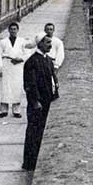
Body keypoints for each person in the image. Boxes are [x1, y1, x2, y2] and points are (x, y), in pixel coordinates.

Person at [22, 32, 56, 171]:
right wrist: (35, 101)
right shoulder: (32, 61)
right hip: (38, 104)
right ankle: (30, 163)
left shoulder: (47, 59)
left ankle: (37, 161)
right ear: (40, 43)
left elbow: (53, 80)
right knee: (33, 132)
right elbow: (30, 85)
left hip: (46, 101)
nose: (50, 45)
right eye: (47, 43)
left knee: (40, 132)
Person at [0, 22, 33, 118]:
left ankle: (16, 110)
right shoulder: (3, 42)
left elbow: (28, 53)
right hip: (6, 65)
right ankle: (4, 110)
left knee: (16, 87)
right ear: (8, 30)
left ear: (17, 30)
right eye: (11, 29)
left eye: (15, 29)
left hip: (17, 66)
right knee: (5, 87)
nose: (13, 31)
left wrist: (21, 59)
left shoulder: (22, 41)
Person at [44, 22, 64, 94]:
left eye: (51, 29)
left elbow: (60, 54)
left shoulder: (58, 42)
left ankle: (53, 93)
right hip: (43, 62)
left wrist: (57, 65)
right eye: (47, 29)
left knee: (52, 79)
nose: (49, 31)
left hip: (52, 62)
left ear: (53, 30)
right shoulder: (41, 41)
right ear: (45, 30)